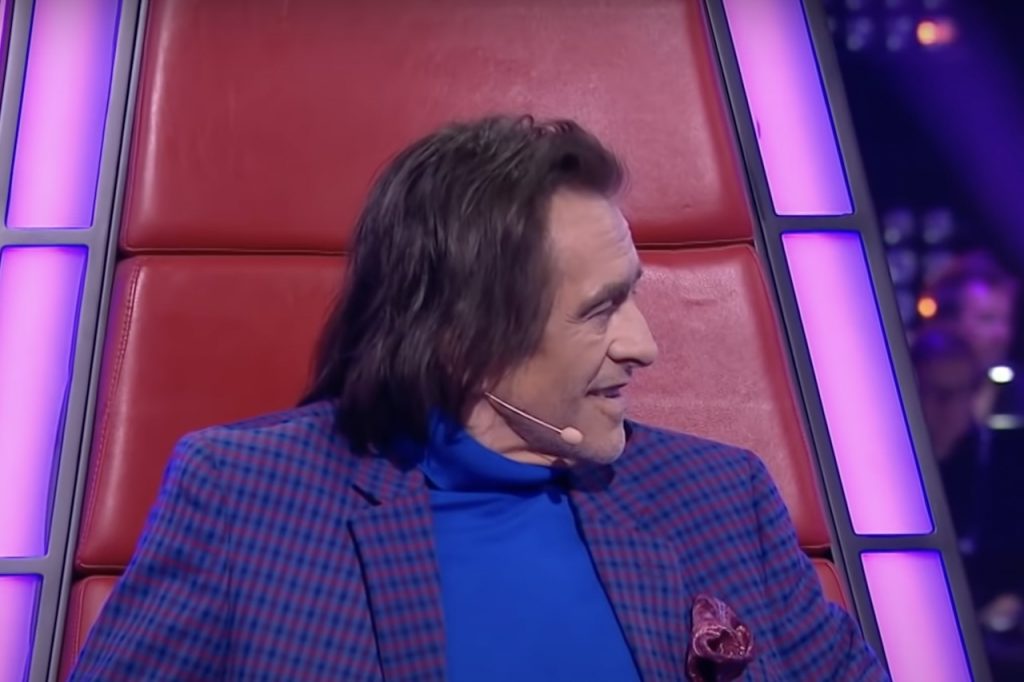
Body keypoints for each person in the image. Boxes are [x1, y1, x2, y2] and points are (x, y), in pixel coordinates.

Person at [70, 116, 888, 681]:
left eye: (631, 295)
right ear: (461, 339)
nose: (644, 344)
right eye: (599, 310)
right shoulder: (243, 498)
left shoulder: (721, 499)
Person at [912, 328, 1024, 680]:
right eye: (936, 392)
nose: (948, 408)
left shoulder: (1004, 465)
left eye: (959, 393)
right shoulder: (887, 471)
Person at [925, 251, 1022, 427]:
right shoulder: (921, 393)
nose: (1002, 334)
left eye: (1006, 320)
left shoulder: (1016, 391)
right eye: (987, 319)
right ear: (951, 322)